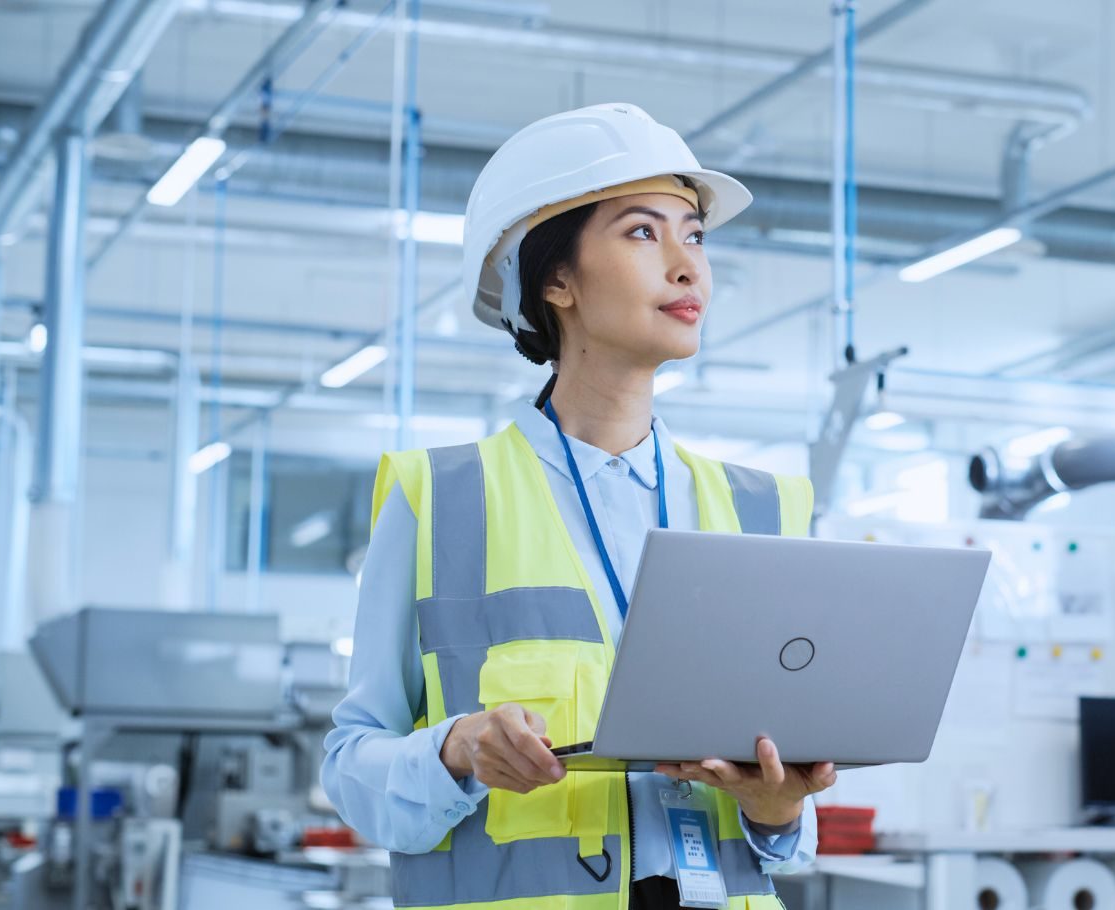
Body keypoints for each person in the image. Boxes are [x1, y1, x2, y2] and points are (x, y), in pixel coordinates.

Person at [322, 103, 832, 910]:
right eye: (642, 232)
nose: (687, 265)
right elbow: (352, 768)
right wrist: (454, 750)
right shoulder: (440, 499)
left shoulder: (763, 509)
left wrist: (778, 811)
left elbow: (786, 838)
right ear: (554, 278)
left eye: (694, 234)